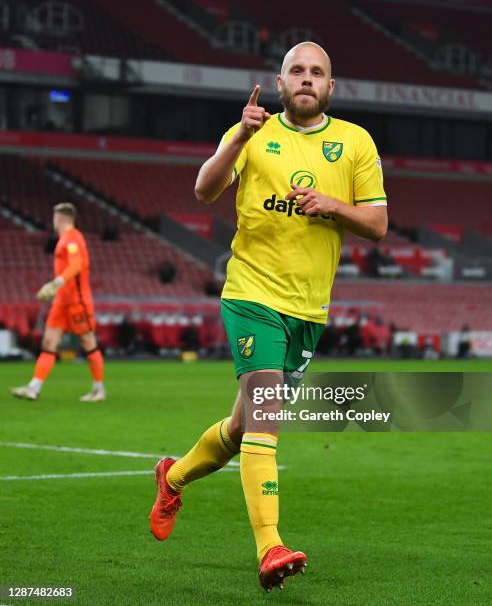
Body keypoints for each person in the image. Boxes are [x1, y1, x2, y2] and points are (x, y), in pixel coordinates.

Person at [149, 41, 387, 591]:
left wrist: (333, 206)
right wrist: (238, 136)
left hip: (309, 309)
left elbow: (376, 224)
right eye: (296, 71)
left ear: (331, 87)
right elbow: (204, 189)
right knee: (267, 415)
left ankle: (174, 475)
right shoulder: (253, 134)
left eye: (317, 72)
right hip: (251, 295)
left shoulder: (355, 142)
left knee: (239, 428)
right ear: (281, 83)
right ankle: (270, 547)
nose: (306, 79)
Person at [10, 203, 106, 402]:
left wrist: (56, 283)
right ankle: (33, 388)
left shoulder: (73, 238)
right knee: (49, 342)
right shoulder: (64, 239)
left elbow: (77, 264)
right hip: (62, 302)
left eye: (55, 218)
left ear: (60, 219)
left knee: (88, 342)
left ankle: (99, 390)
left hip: (77, 301)